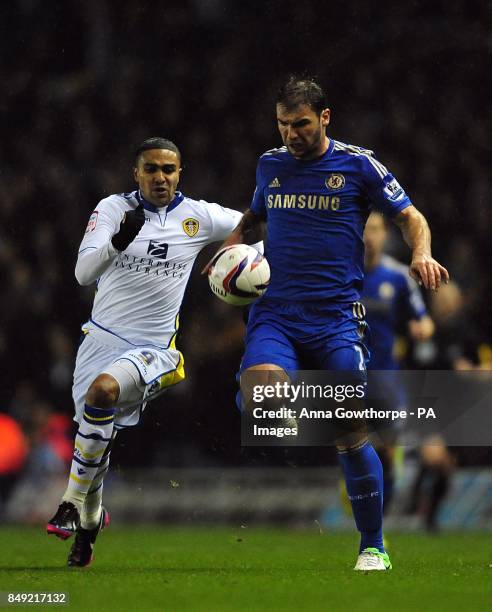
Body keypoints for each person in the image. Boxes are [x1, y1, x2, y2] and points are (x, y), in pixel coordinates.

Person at [209, 76, 449, 571]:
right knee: (259, 399)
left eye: (299, 123)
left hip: (337, 318)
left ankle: (373, 546)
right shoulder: (269, 164)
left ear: (324, 117)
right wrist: (228, 252)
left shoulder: (359, 165)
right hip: (275, 313)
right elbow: (254, 218)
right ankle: (298, 414)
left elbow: (411, 217)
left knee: (348, 428)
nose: (290, 134)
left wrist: (422, 253)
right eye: (282, 124)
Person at [46, 137, 247, 567]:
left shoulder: (199, 216)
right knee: (92, 447)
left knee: (102, 395)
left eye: (169, 170)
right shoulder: (113, 209)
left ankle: (69, 501)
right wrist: (117, 241)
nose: (161, 177)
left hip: (154, 350)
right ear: (135, 173)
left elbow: (255, 220)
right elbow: (83, 274)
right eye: (151, 169)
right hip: (98, 342)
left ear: (180, 174)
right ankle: (90, 521)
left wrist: (258, 254)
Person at [362, 211, 435, 514]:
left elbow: (424, 319)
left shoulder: (398, 276)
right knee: (355, 446)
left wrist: (421, 328)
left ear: (385, 235)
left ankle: (381, 514)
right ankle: (363, 507)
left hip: (387, 375)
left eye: (376, 229)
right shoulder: (340, 272)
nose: (370, 235)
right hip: (347, 371)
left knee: (388, 452)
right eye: (365, 229)